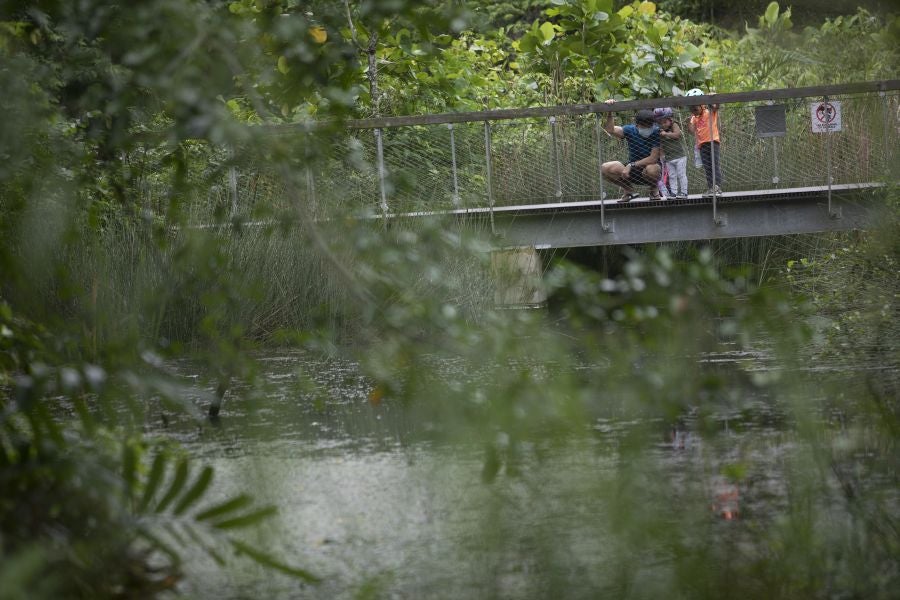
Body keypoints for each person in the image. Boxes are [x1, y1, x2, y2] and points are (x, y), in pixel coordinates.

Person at [601, 100, 662, 202]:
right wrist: (610, 111)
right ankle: (628, 190)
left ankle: (653, 189)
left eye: (649, 126)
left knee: (652, 169)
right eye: (644, 126)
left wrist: (631, 165)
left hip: (649, 170)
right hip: (631, 172)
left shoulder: (656, 132)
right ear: (637, 124)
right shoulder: (630, 130)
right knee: (605, 168)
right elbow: (610, 130)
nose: (647, 128)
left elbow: (653, 158)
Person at [684, 88, 723, 196]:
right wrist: (689, 122)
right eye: (691, 108)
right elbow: (692, 131)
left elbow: (717, 105)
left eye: (695, 107)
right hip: (702, 145)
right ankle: (711, 188)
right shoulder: (694, 117)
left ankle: (717, 188)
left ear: (702, 105)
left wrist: (713, 97)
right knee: (707, 167)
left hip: (712, 142)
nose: (693, 109)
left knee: (714, 165)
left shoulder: (709, 111)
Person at [653, 107, 688, 199]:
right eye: (660, 123)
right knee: (672, 176)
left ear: (670, 119)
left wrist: (666, 134)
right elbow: (660, 144)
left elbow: (677, 135)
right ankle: (674, 193)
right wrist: (662, 155)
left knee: (681, 174)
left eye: (665, 122)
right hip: (669, 158)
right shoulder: (660, 131)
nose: (663, 125)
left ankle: (684, 192)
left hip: (680, 156)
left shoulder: (674, 125)